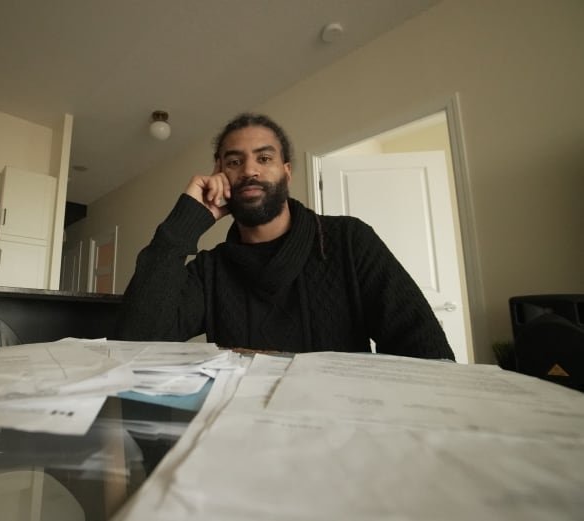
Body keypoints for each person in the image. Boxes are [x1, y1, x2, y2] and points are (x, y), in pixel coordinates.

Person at [116, 113, 454, 360]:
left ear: (287, 172)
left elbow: (428, 356)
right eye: (234, 161)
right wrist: (183, 223)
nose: (250, 170)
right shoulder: (211, 270)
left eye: (264, 158)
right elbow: (134, 342)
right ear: (220, 174)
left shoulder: (350, 241)